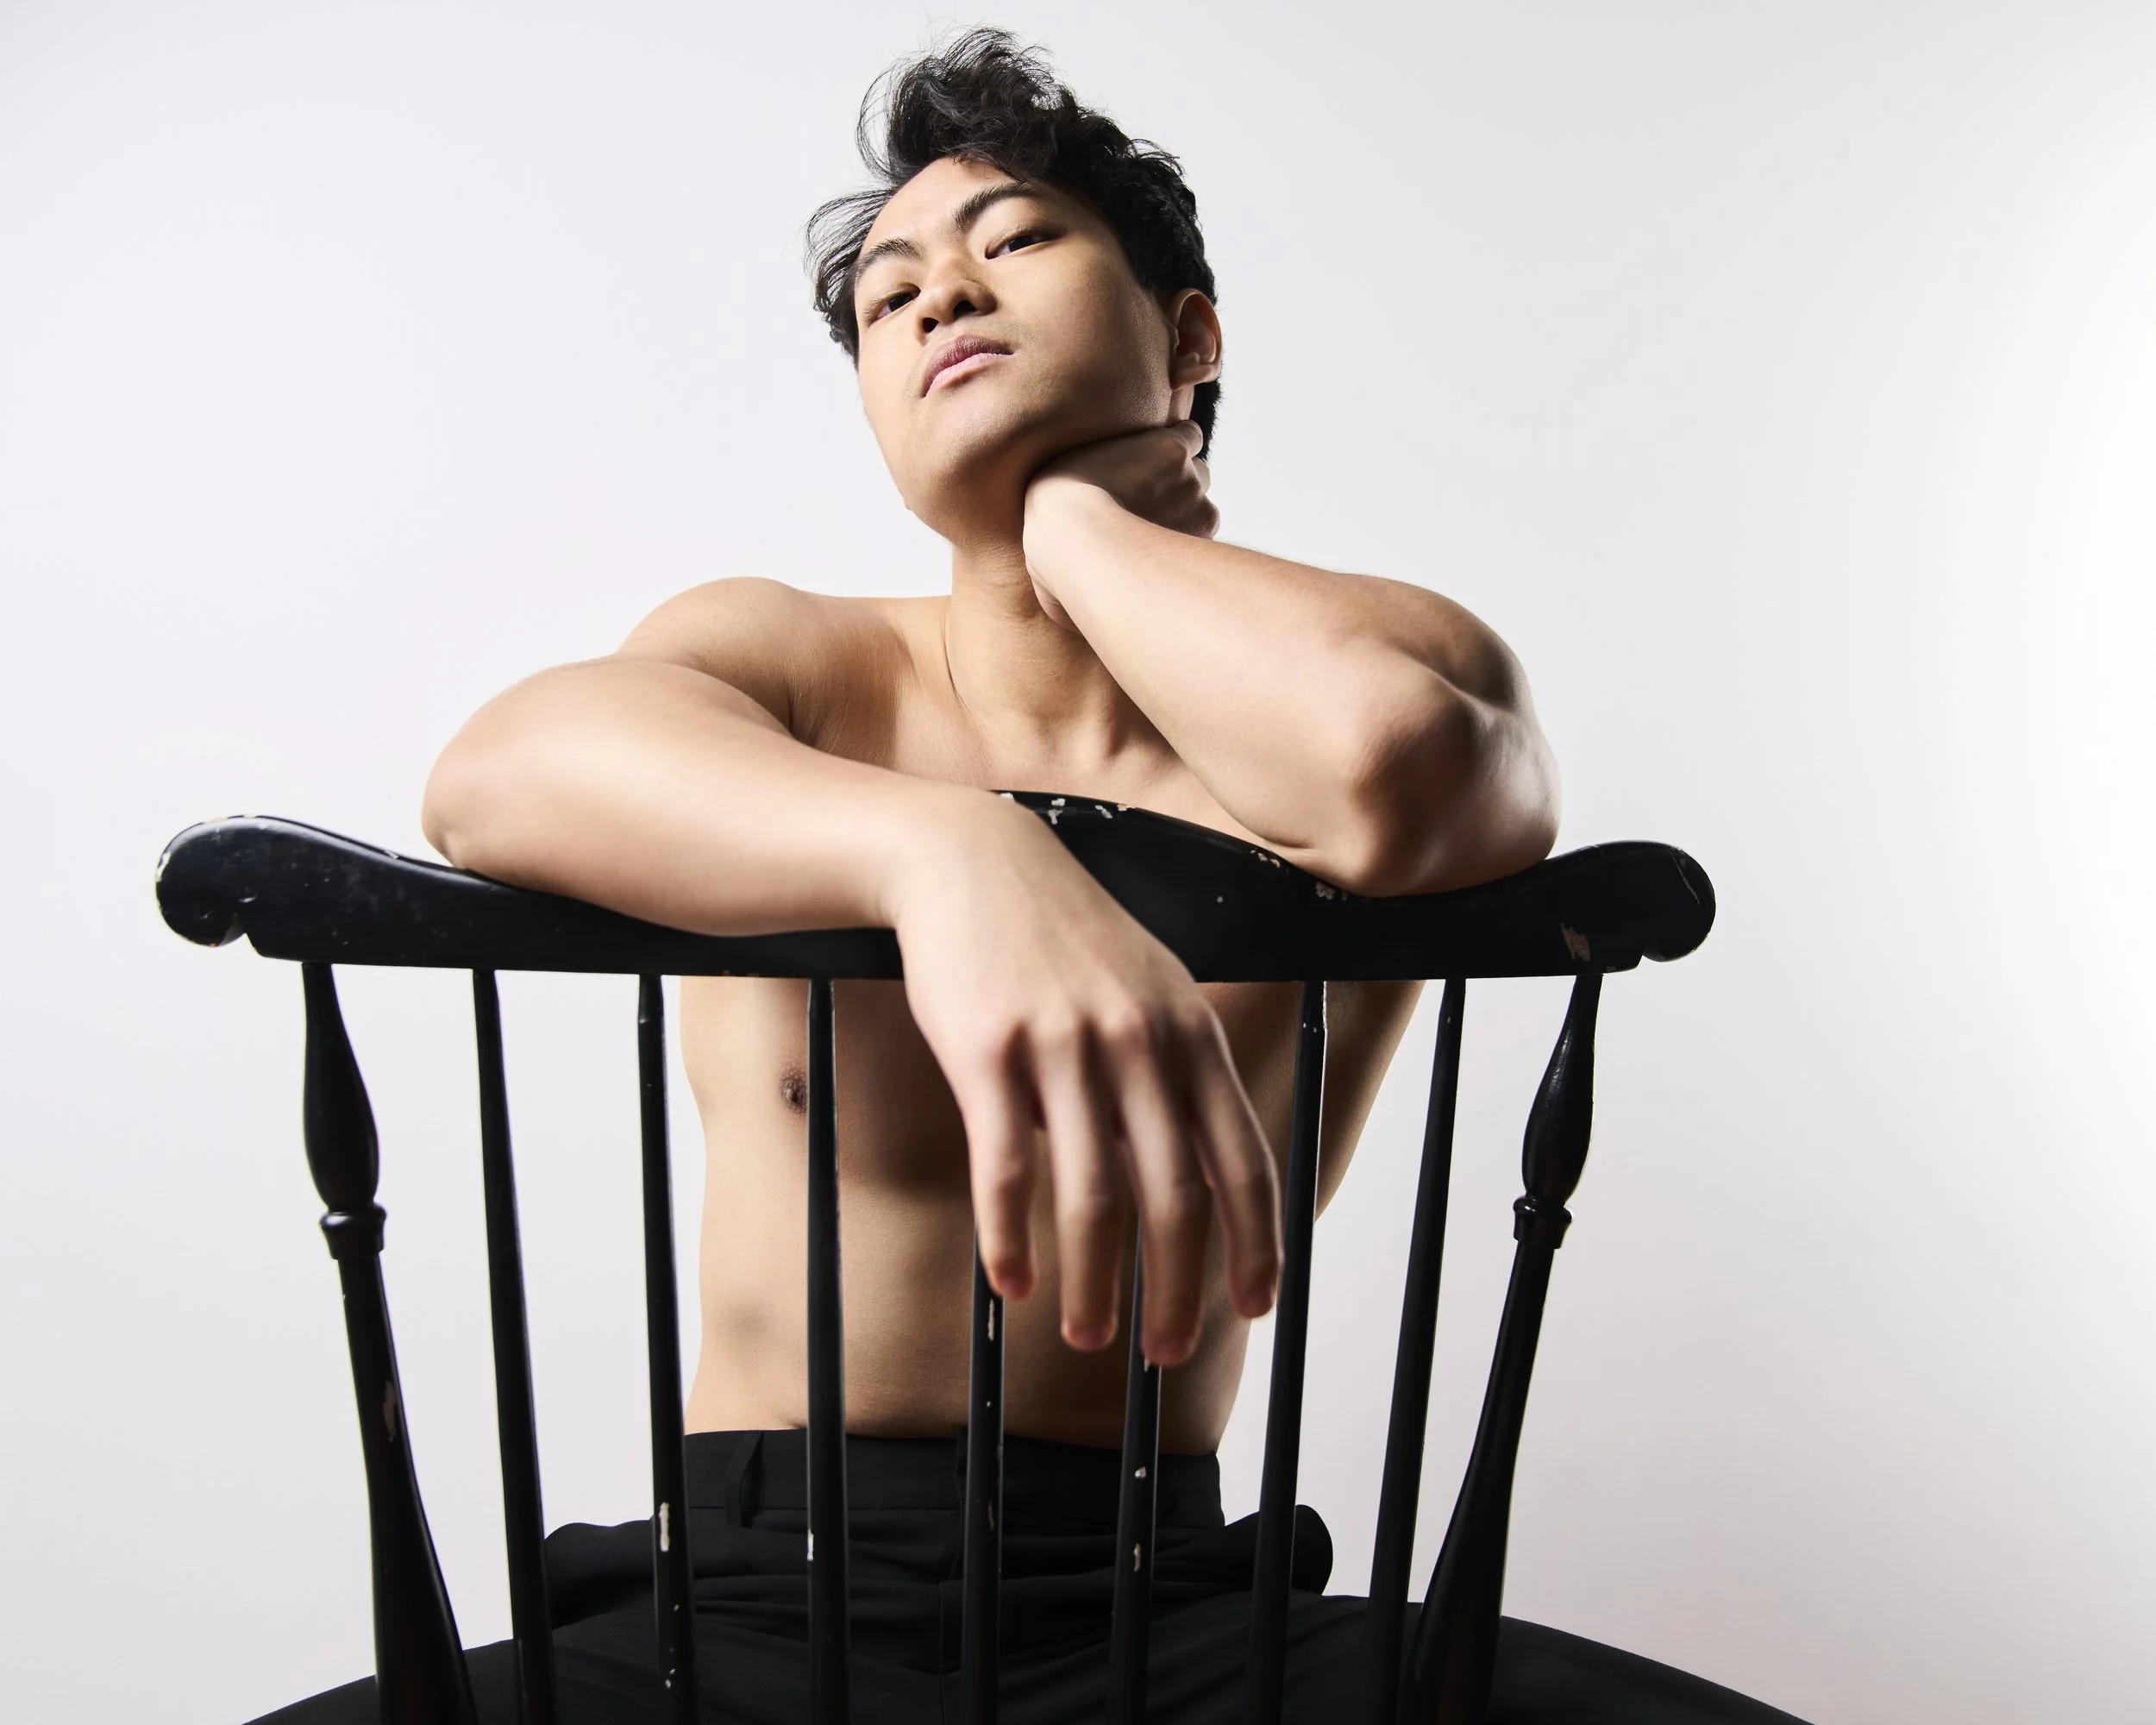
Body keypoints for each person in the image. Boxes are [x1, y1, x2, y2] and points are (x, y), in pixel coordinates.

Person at [258, 28, 1795, 1725]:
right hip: (749, 1614)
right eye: (888, 291)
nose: (935, 298)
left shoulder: (1375, 655)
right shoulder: (798, 668)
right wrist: (947, 845)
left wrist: (1068, 524)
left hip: (1166, 1612)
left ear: (1188, 335)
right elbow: (498, 771)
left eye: (1011, 241)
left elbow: (1399, 775)